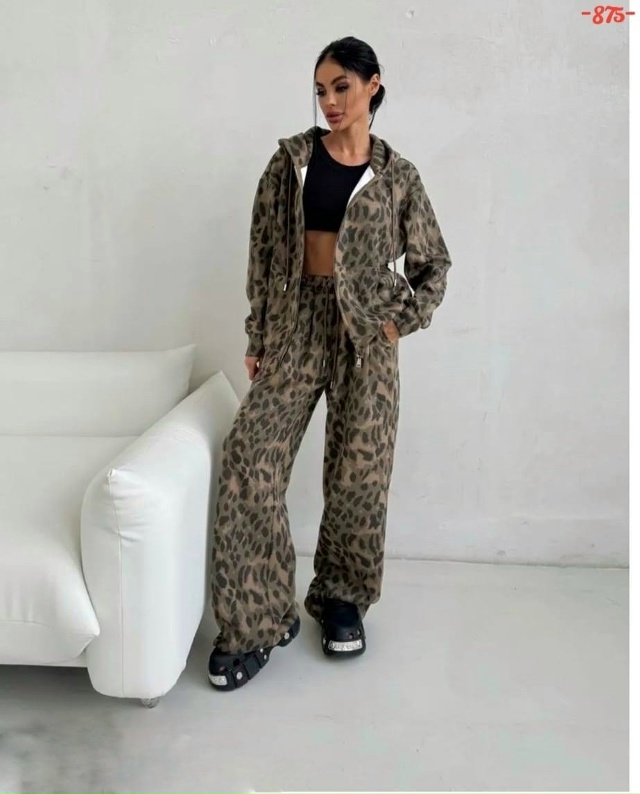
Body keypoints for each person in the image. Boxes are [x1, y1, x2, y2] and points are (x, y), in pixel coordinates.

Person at [208, 36, 452, 691]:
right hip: (297, 324)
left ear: (374, 84)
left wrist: (400, 322)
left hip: (367, 335)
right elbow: (264, 252)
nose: (330, 100)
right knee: (249, 461)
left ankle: (342, 599)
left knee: (358, 478)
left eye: (342, 85)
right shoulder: (290, 161)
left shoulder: (398, 177)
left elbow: (433, 262)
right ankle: (257, 619)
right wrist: (260, 334)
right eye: (321, 89)